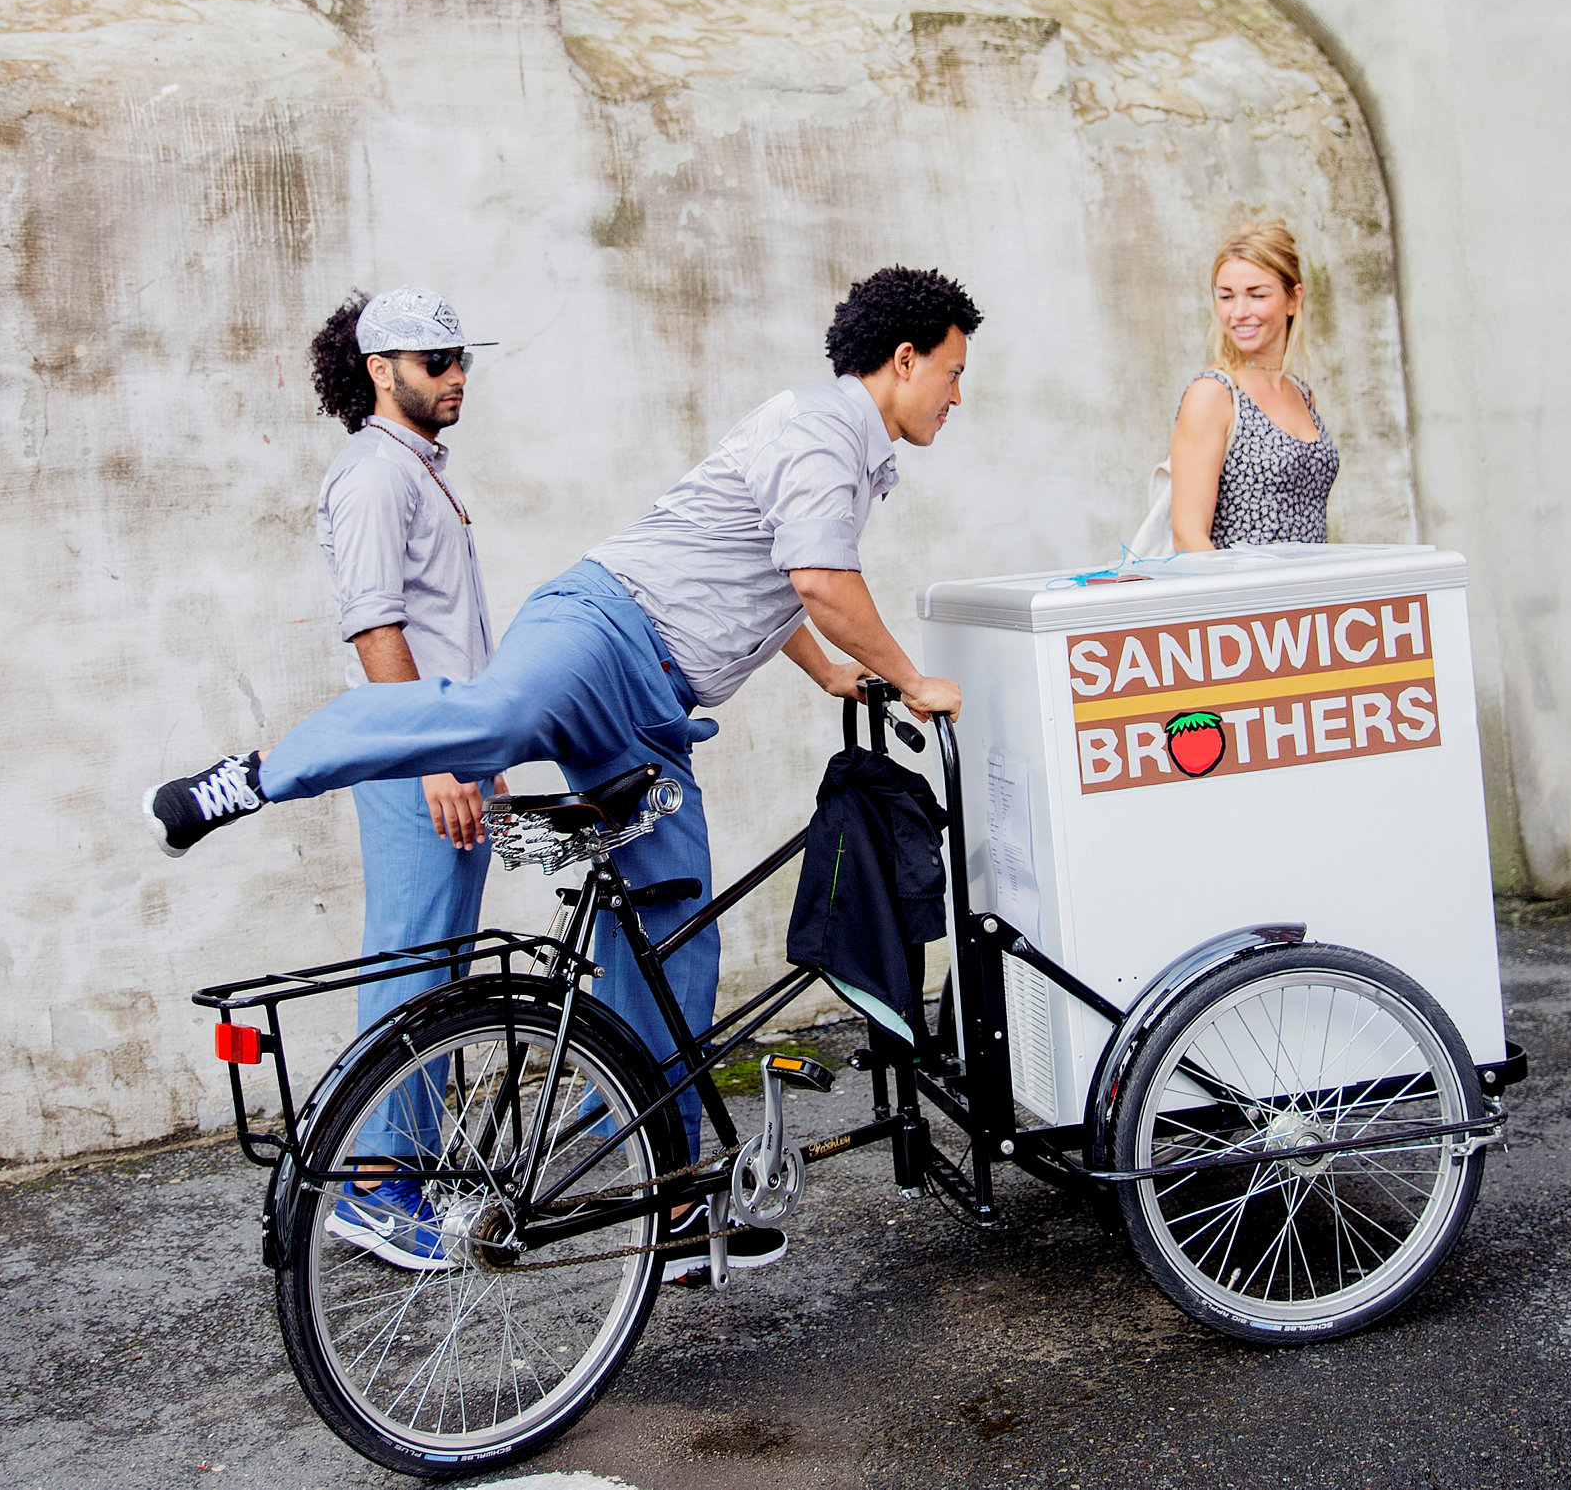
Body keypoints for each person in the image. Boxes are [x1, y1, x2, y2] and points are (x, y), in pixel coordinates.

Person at [141, 266, 979, 1281]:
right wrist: (907, 675)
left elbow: (771, 576)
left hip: (657, 707)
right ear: (904, 360)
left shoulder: (845, 447)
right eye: (953, 371)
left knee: (674, 947)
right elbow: (818, 578)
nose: (957, 394)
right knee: (489, 721)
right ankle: (256, 775)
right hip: (602, 633)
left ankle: (659, 1208)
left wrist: (834, 672)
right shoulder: (823, 432)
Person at [294, 286, 501, 1271]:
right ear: (382, 371)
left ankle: (408, 1166)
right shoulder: (376, 475)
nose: (455, 377)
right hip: (420, 765)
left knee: (436, 969)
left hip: (444, 759)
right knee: (412, 968)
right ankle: (376, 1187)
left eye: (460, 358)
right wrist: (438, 759)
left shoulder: (419, 470)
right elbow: (377, 628)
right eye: (434, 362)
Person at [1168, 219, 1340, 550]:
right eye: (1227, 297)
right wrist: (1241, 600)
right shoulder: (1214, 393)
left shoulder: (1302, 394)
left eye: (1257, 295)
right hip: (1249, 596)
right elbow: (1188, 537)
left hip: (1311, 593)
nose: (1239, 312)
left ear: (1293, 300)